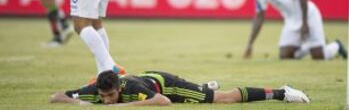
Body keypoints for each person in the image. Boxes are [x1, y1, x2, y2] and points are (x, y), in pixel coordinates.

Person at [50, 70, 310, 106]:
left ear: (119, 88)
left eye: (110, 96)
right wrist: (79, 102)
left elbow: (163, 102)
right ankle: (203, 86)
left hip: (169, 86)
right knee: (205, 92)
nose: (106, 101)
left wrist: (122, 105)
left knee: (223, 99)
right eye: (102, 97)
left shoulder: (131, 89)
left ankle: (280, 92)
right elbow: (56, 97)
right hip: (151, 80)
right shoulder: (94, 90)